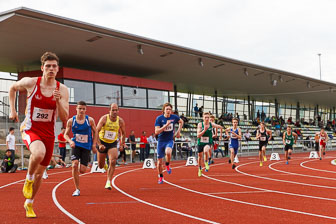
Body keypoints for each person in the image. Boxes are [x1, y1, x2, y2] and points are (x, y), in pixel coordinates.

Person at [9, 52, 69, 218]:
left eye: (54, 66)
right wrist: (13, 110)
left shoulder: (62, 90)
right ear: (42, 68)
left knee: (40, 174)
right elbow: (12, 88)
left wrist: (58, 101)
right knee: (39, 152)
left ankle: (29, 203)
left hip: (49, 134)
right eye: (48, 66)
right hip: (30, 129)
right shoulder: (31, 82)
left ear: (57, 69)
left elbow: (65, 118)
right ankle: (27, 179)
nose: (51, 68)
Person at [64, 101, 97, 196]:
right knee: (74, 165)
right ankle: (77, 189)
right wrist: (70, 141)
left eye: (83, 109)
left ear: (86, 110)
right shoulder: (71, 121)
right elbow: (65, 134)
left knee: (82, 170)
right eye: (80, 108)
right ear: (76, 109)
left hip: (86, 146)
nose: (81, 110)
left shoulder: (90, 120)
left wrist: (94, 145)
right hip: (76, 145)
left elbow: (95, 132)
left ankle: (80, 165)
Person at [96, 103, 126, 190]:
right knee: (100, 166)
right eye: (113, 110)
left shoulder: (120, 121)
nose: (115, 112)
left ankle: (108, 181)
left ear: (118, 111)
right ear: (109, 111)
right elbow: (96, 131)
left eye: (116, 110)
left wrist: (121, 144)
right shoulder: (104, 118)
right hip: (102, 142)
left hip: (112, 143)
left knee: (113, 161)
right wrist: (99, 144)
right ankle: (104, 165)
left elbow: (123, 133)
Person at [154, 102, 183, 184]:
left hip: (169, 140)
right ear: (163, 110)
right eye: (167, 109)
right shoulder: (159, 119)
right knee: (159, 163)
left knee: (168, 152)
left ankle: (167, 164)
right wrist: (165, 125)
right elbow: (156, 132)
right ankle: (160, 176)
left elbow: (181, 122)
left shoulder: (174, 117)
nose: (168, 111)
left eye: (170, 109)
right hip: (161, 141)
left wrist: (178, 132)